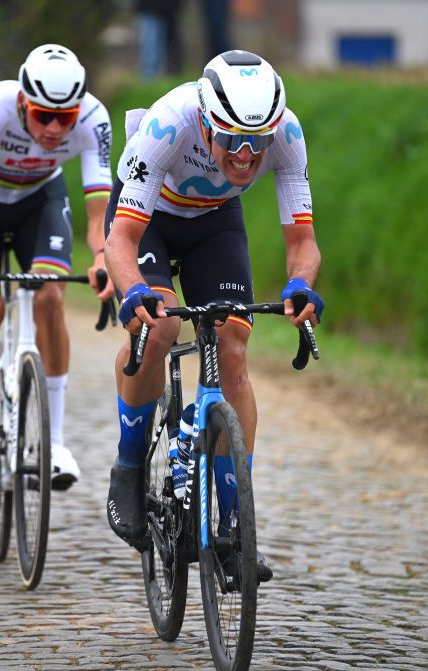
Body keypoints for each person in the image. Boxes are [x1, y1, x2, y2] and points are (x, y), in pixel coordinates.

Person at [103, 50, 324, 582]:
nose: (246, 155)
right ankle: (130, 468)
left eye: (258, 141)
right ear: (205, 122)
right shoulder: (168, 125)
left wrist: (300, 284)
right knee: (162, 328)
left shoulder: (287, 136)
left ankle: (233, 528)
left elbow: (303, 240)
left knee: (233, 348)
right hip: (147, 215)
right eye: (232, 140)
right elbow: (121, 240)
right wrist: (133, 291)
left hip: (215, 222)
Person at [0, 43, 114, 494]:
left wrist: (104, 257)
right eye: (42, 116)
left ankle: (54, 441)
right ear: (21, 101)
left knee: (51, 296)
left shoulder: (93, 118)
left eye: (65, 118)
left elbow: (99, 212)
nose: (54, 128)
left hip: (40, 201)